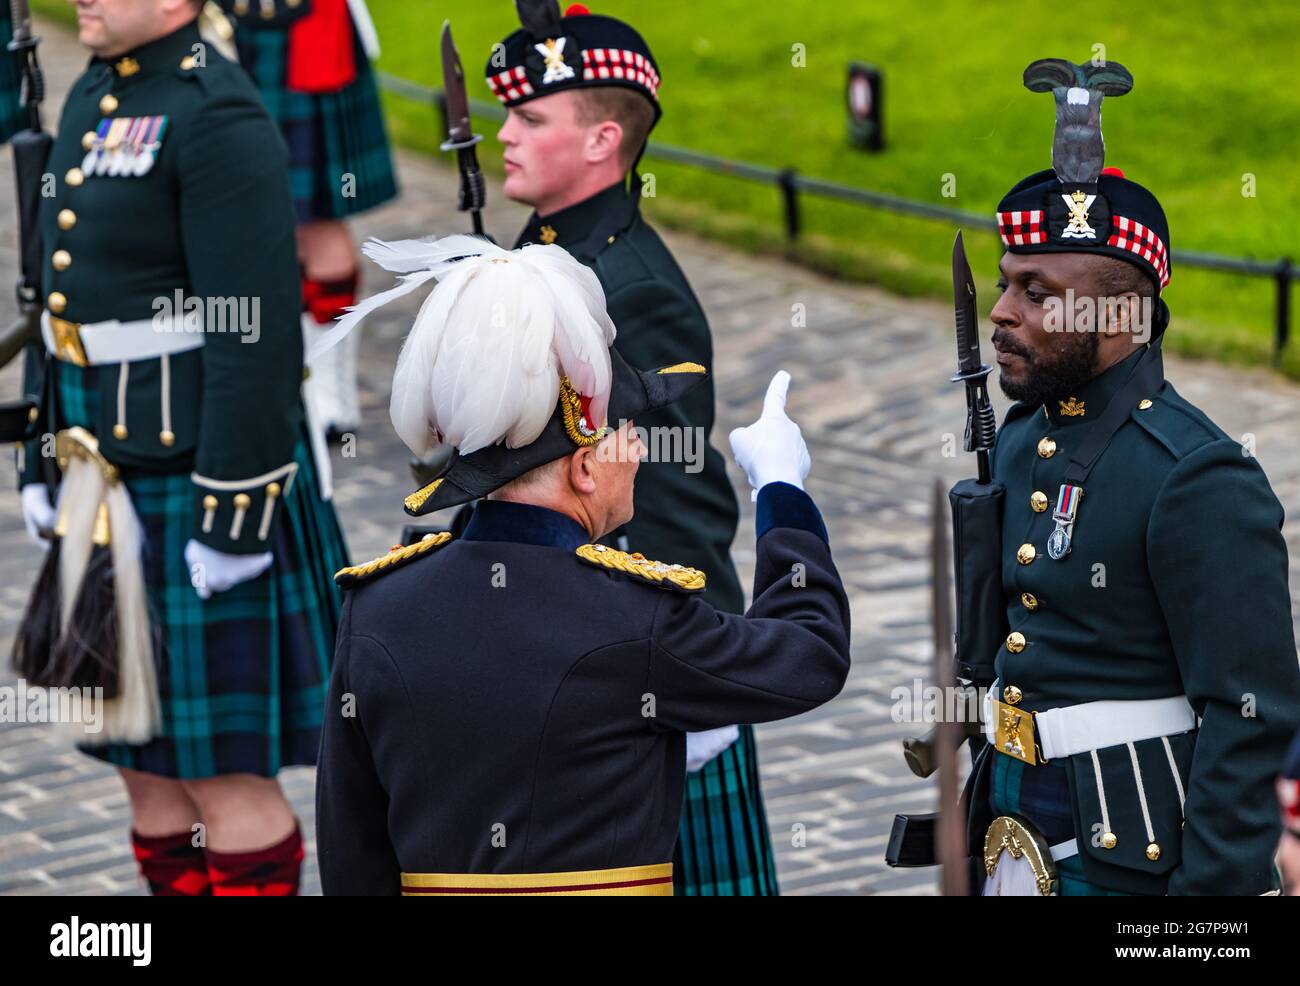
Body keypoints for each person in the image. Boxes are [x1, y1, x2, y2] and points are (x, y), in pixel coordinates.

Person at [314, 234, 850, 894]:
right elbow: (809, 655)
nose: (637, 451)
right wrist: (782, 492)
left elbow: (351, 851)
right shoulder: (634, 615)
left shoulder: (377, 607)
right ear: (586, 466)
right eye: (627, 432)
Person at [14, 0, 347, 896]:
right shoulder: (94, 92)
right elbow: (53, 304)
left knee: (222, 777)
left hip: (197, 481)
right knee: (143, 767)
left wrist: (233, 518)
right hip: (102, 476)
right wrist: (42, 454)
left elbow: (258, 336)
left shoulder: (218, 114)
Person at [973, 57, 1300, 895]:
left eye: (1036, 293)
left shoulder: (1197, 477)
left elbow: (1250, 716)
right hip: (1012, 814)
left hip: (1134, 845)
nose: (1002, 313)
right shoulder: (1021, 439)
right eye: (1006, 284)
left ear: (1118, 317)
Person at [480, 0, 778, 895]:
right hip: (546, 637)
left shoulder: (633, 289)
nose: (505, 134)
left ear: (605, 141)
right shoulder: (541, 255)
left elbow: (678, 493)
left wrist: (690, 666)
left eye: (532, 119)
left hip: (629, 668)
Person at [216, 0, 397, 439]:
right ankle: (300, 379)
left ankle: (332, 396)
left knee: (315, 217)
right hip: (236, 26)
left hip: (302, 27)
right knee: (274, 216)